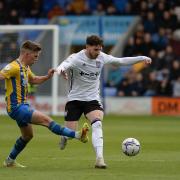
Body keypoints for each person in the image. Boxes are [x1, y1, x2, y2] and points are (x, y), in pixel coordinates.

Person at [56, 35, 152, 169]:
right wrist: (60, 70)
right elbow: (64, 65)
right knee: (70, 133)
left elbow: (120, 61)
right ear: (87, 47)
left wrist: (141, 58)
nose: (98, 52)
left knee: (97, 124)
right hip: (75, 99)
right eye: (95, 49)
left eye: (100, 49)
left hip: (92, 99)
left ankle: (99, 159)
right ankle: (65, 137)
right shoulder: (76, 58)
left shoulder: (101, 57)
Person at [0, 40, 89, 168]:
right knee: (46, 120)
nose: (36, 59)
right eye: (35, 56)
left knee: (28, 135)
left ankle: (9, 161)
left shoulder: (25, 67)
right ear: (26, 54)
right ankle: (77, 135)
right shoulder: (13, 67)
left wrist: (47, 76)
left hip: (23, 106)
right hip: (16, 107)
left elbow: (33, 80)